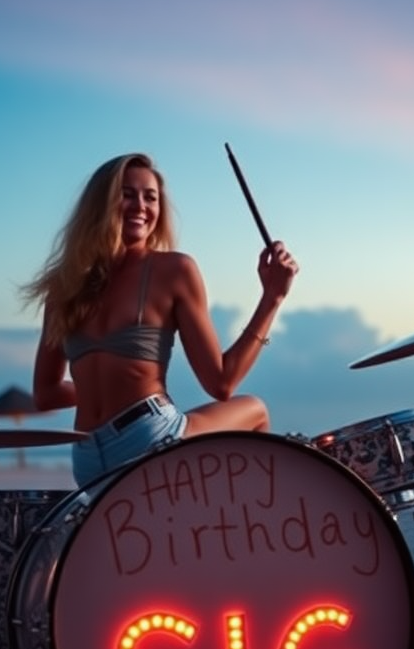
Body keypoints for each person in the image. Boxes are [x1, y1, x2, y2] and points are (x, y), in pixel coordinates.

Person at [21, 152, 299, 488]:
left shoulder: (63, 285)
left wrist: (106, 384)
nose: (141, 206)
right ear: (101, 204)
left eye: (150, 197)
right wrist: (272, 298)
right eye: (127, 194)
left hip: (86, 457)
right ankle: (240, 525)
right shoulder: (175, 270)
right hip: (149, 439)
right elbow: (222, 383)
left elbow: (46, 394)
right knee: (255, 409)